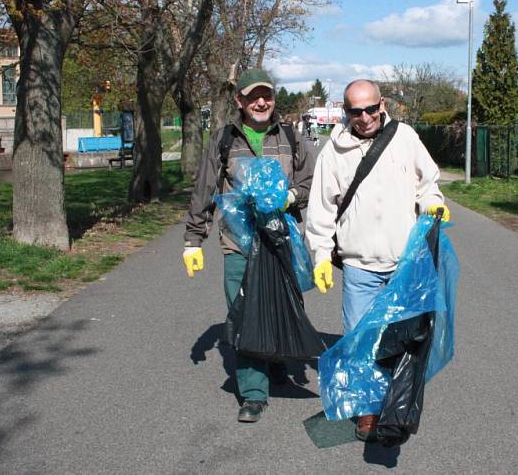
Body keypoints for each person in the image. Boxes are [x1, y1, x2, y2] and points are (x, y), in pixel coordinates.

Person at [305, 79, 450, 442]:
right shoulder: (333, 151)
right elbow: (320, 210)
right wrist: (321, 256)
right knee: (360, 342)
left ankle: (394, 403)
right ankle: (367, 411)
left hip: (405, 266)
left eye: (372, 108)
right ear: (345, 110)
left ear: (382, 104)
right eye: (357, 111)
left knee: (404, 340)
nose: (366, 117)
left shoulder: (405, 137)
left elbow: (427, 181)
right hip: (359, 268)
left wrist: (432, 201)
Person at [183, 68, 314, 423]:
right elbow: (204, 190)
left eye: (267, 96)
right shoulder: (224, 139)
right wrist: (193, 241)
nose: (261, 102)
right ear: (239, 100)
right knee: (244, 315)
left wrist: (291, 195)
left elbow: (310, 181)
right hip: (238, 244)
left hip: (281, 244)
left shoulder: (290, 136)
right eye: (253, 96)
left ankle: (274, 365)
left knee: (282, 307)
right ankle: (254, 393)